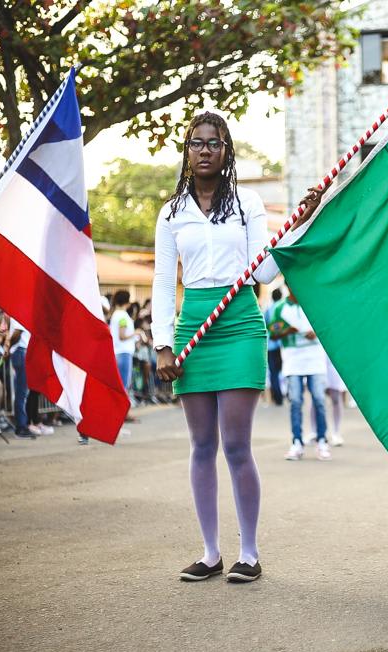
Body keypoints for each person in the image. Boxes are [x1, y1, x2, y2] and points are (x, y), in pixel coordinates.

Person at [152, 110, 322, 583]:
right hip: (193, 329)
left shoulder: (247, 203)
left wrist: (297, 225)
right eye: (196, 142)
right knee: (201, 445)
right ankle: (210, 553)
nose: (205, 149)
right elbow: (165, 281)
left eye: (214, 142)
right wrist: (163, 343)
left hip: (240, 323)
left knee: (236, 446)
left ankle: (249, 551)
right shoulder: (171, 212)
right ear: (186, 152)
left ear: (226, 151)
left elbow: (264, 273)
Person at [278, 289, 331, 461]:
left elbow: (329, 325)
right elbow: (272, 331)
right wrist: (288, 331)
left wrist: (316, 332)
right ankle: (297, 443)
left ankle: (322, 441)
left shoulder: (316, 302)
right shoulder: (281, 308)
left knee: (319, 400)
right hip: (293, 360)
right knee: (296, 401)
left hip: (315, 358)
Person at [109, 290, 138, 408]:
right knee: (124, 383)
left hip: (119, 352)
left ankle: (121, 410)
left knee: (121, 383)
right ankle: (123, 411)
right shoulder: (122, 316)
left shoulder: (116, 314)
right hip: (123, 353)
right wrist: (136, 333)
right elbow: (122, 336)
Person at [7, 317, 34, 439]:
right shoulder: (18, 313)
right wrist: (8, 347)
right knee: (21, 393)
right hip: (20, 351)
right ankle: (21, 426)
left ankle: (23, 425)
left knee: (22, 392)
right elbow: (17, 334)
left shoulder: (18, 313)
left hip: (21, 351)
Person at [263, 288, 285, 406]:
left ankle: (277, 397)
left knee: (274, 372)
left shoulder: (269, 310)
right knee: (284, 371)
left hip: (271, 345)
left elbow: (265, 325)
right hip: (283, 345)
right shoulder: (282, 307)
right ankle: (285, 395)